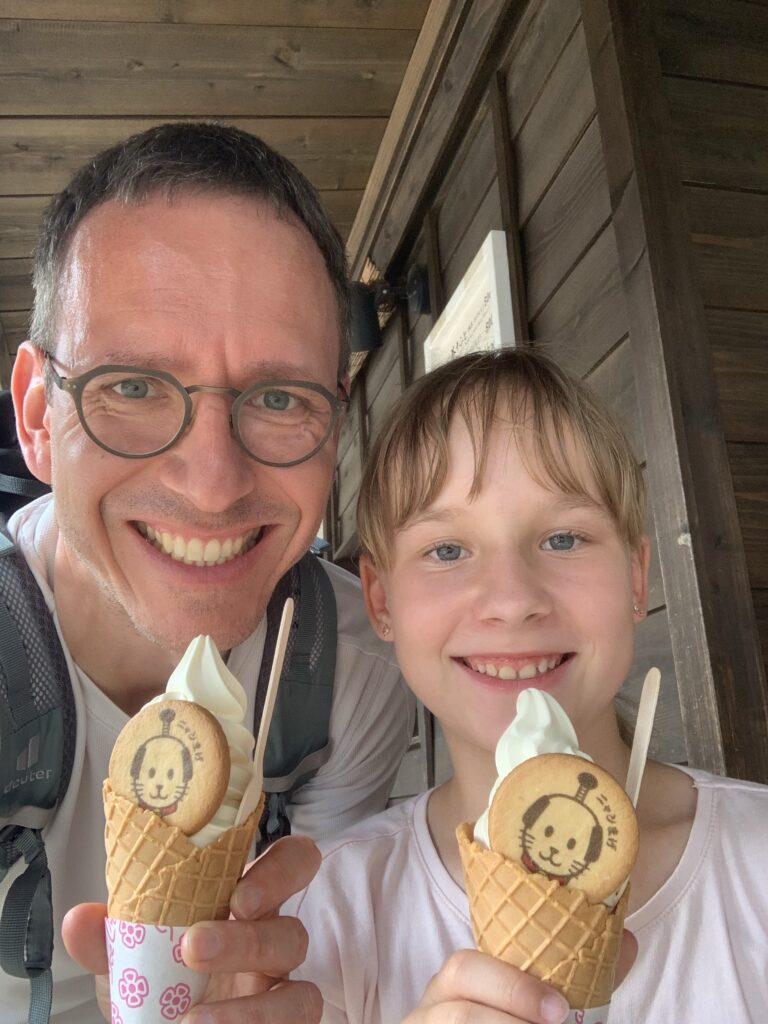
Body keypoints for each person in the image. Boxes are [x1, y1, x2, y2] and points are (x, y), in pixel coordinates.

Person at [3, 122, 413, 1024]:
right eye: (133, 386)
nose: (214, 484)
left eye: (279, 397)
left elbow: (322, 961)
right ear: (35, 416)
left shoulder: (351, 676)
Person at [285, 348, 768, 1023]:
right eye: (447, 550)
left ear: (636, 578)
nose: (512, 600)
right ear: (381, 600)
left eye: (564, 539)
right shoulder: (322, 919)